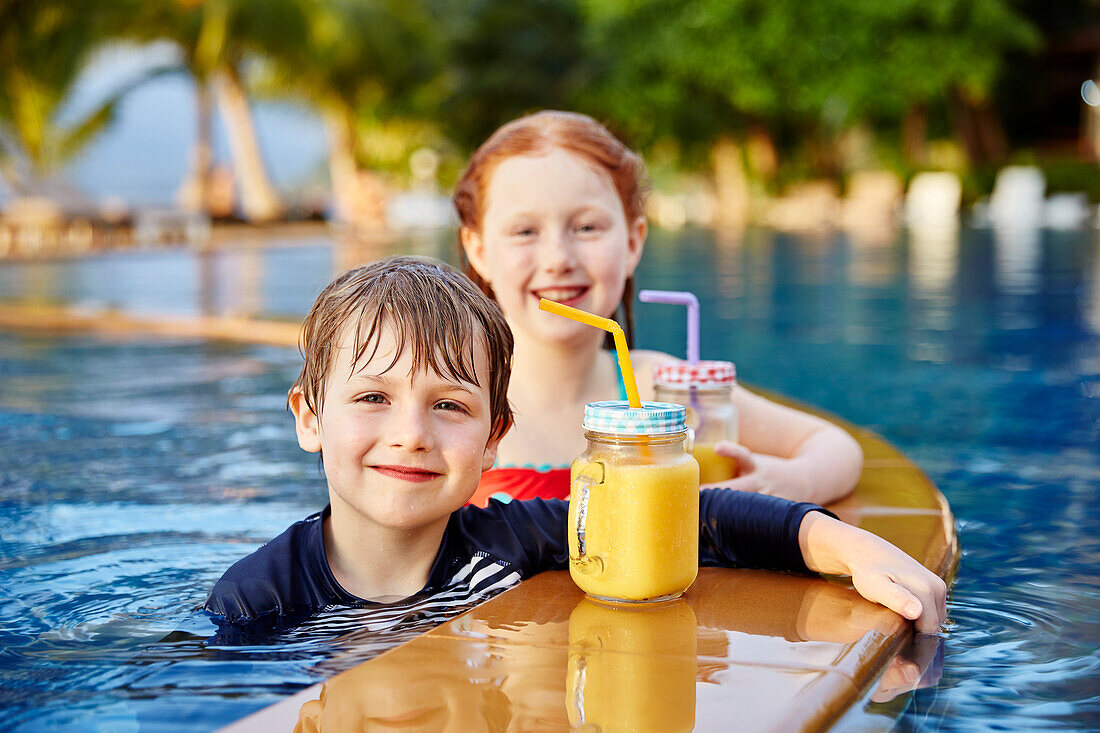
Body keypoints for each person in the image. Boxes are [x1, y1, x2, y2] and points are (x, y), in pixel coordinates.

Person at [204, 255, 945, 637]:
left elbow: (705, 515)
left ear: (495, 437)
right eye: (372, 397)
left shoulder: (512, 540)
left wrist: (851, 547)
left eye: (450, 405)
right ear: (309, 418)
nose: (410, 432)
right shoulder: (257, 599)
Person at [455, 110, 863, 507]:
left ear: (633, 242)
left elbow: (834, 446)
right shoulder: (448, 394)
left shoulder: (665, 391)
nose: (558, 258)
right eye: (525, 231)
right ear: (479, 251)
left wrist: (790, 480)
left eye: (586, 228)